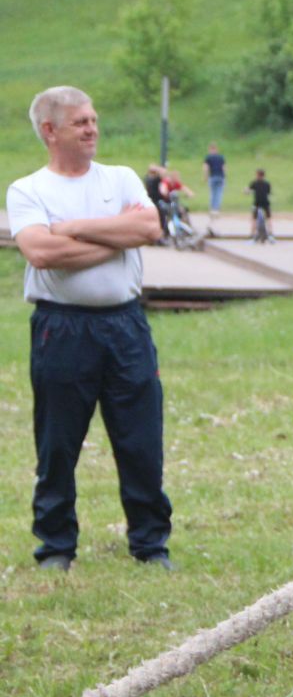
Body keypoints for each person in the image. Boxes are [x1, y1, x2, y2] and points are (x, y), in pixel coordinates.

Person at [7, 87, 170, 572]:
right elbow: (41, 253)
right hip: (63, 327)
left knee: (140, 439)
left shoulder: (119, 179)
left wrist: (71, 227)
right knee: (57, 442)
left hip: (126, 326)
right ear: (50, 131)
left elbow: (149, 229)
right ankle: (56, 547)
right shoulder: (28, 189)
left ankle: (150, 544)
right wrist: (115, 238)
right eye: (80, 122)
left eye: (94, 119)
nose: (93, 128)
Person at [248, 169, 274, 243]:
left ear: (257, 175)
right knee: (269, 218)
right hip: (266, 203)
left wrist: (246, 191)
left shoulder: (254, 183)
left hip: (257, 203)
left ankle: (252, 234)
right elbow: (269, 193)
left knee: (254, 218)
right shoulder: (267, 183)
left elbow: (248, 190)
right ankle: (271, 233)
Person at [203, 143, 226, 215]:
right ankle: (217, 209)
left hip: (213, 176)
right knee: (219, 193)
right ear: (216, 149)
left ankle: (212, 209)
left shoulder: (208, 157)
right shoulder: (221, 157)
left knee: (213, 193)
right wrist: (224, 176)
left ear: (210, 149)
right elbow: (224, 168)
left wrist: (205, 176)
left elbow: (206, 167)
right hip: (221, 176)